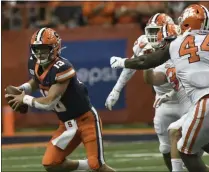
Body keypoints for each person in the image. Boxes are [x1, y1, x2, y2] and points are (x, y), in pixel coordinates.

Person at [110, 4, 209, 172]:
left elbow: (146, 61)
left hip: (202, 102)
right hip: (192, 101)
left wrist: (122, 62)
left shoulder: (176, 43)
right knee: (178, 134)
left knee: (186, 150)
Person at [5, 27, 115, 172]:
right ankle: (87, 166)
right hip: (67, 125)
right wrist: (23, 89)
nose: (39, 53)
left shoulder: (62, 67)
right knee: (51, 164)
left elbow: (50, 102)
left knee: (97, 166)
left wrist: (24, 98)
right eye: (37, 49)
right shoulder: (34, 62)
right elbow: (37, 80)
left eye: (44, 49)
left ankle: (92, 166)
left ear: (55, 48)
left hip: (86, 120)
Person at [106, 13, 178, 172]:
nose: (152, 36)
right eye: (150, 31)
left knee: (195, 144)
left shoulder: (178, 43)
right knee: (165, 148)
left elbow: (187, 77)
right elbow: (133, 65)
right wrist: (116, 90)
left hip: (185, 97)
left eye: (156, 31)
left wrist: (172, 94)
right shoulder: (143, 43)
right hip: (162, 101)